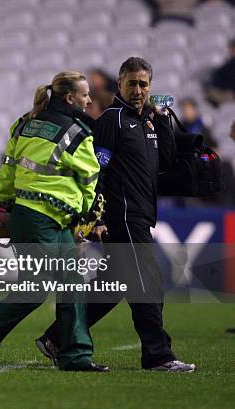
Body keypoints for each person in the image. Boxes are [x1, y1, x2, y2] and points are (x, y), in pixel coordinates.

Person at [36, 57, 197, 372]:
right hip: (122, 216)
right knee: (146, 283)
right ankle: (158, 356)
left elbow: (164, 162)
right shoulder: (113, 120)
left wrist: (163, 122)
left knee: (114, 286)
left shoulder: (146, 121)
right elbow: (99, 169)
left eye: (144, 84)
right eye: (132, 83)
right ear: (120, 84)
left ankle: (57, 338)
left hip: (141, 214)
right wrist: (96, 217)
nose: (138, 90)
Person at [0, 71, 108, 372]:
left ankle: (75, 356)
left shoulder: (24, 124)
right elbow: (90, 179)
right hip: (48, 219)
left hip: (28, 215)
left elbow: (8, 169)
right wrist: (86, 213)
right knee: (37, 289)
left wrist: (10, 202)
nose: (89, 99)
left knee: (68, 285)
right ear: (69, 98)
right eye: (84, 94)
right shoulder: (77, 133)